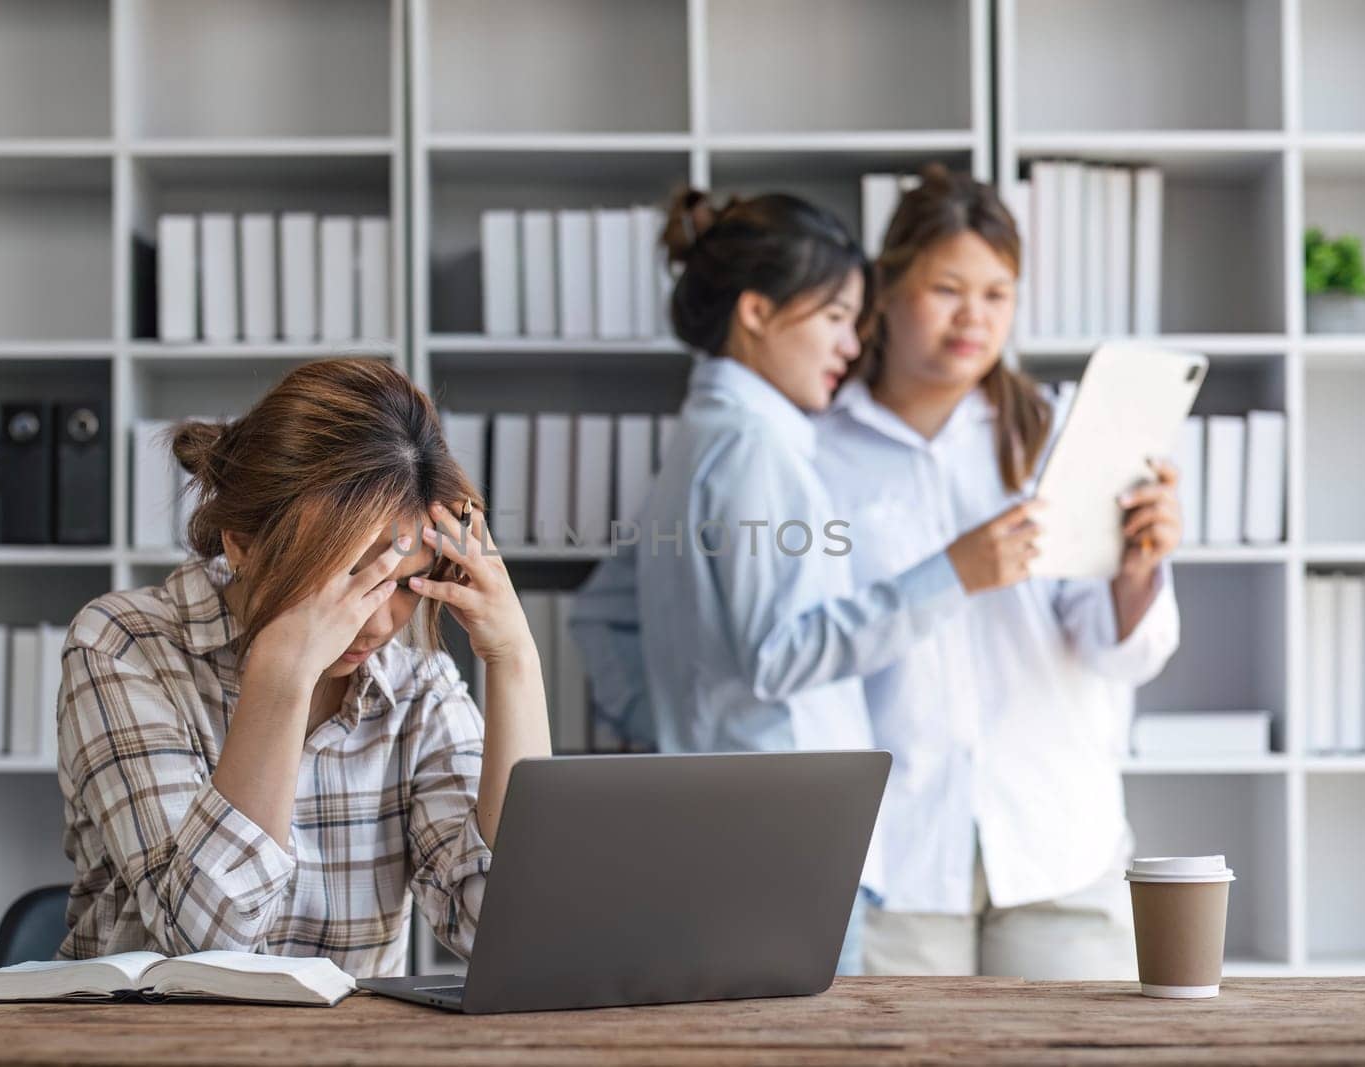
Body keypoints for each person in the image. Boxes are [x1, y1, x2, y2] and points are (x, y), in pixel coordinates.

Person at [572, 189, 1038, 974]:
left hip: (743, 833)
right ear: (756, 313)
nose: (850, 345)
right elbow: (781, 654)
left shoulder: (707, 437)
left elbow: (599, 616)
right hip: (791, 843)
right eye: (832, 317)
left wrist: (695, 731)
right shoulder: (758, 449)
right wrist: (951, 575)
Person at [54, 358, 551, 977]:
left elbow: (503, 930)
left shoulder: (418, 687)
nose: (375, 624)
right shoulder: (122, 645)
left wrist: (516, 662)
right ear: (240, 544)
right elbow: (207, 946)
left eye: (403, 583)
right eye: (346, 580)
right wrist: (284, 675)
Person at [818, 164, 1182, 978]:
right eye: (947, 288)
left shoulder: (1057, 435)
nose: (972, 318)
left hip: (1055, 837)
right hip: (892, 856)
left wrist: (1137, 574)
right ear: (886, 288)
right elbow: (804, 647)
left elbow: (1121, 650)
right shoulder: (816, 449)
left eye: (997, 293)